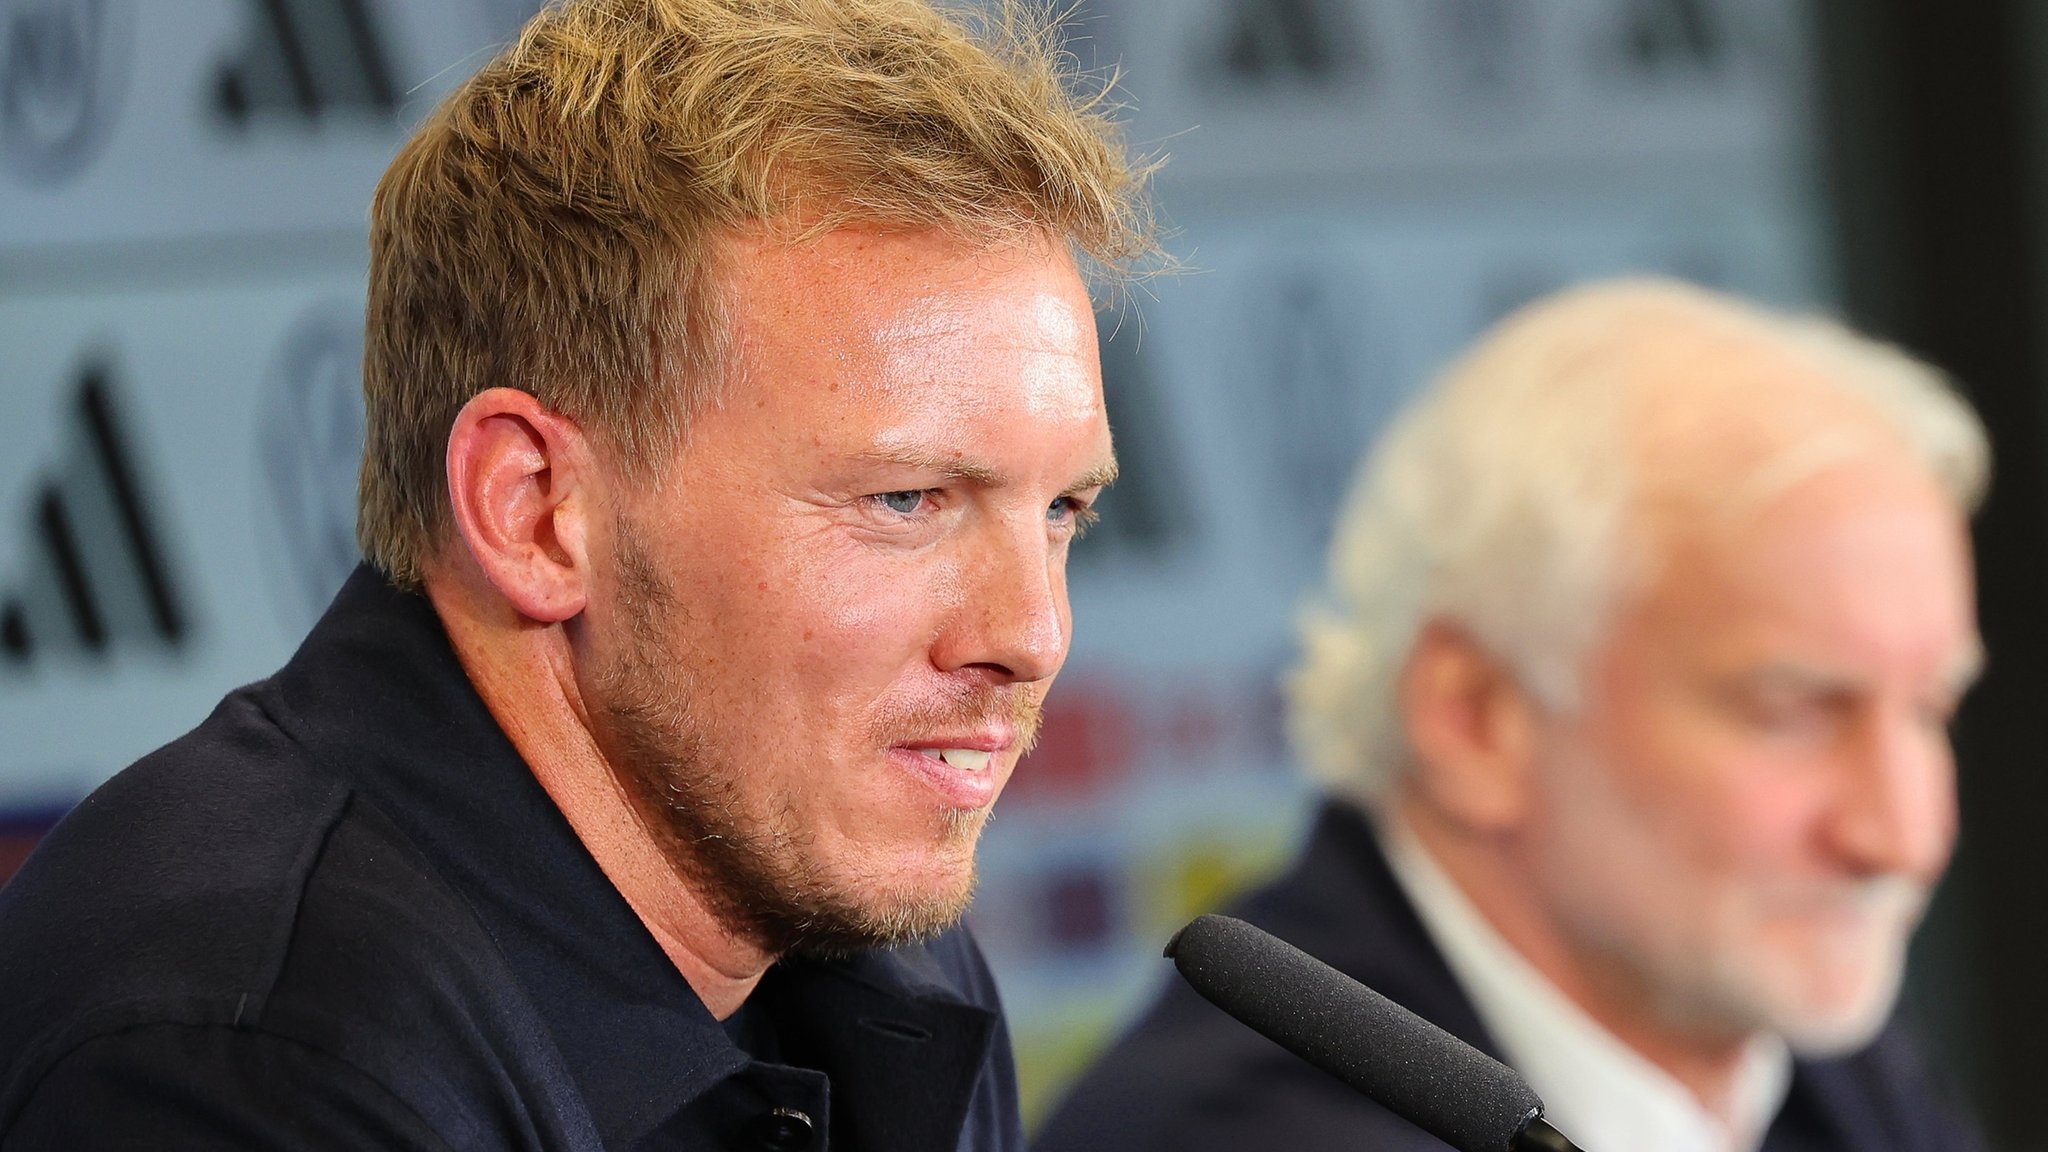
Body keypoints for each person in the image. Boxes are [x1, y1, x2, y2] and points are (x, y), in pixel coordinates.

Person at [0, 1, 1154, 1147]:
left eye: (1062, 510)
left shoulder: (880, 958)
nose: (1033, 633)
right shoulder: (252, 1057)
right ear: (537, 513)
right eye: (905, 500)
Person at [1036, 280, 1985, 1152]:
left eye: (1930, 710)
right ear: (1475, 719)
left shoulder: (1782, 1030)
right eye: (1793, 714)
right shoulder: (1244, 1132)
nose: (1901, 838)